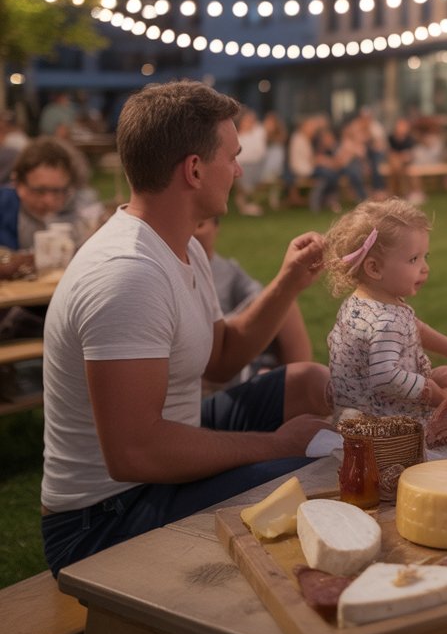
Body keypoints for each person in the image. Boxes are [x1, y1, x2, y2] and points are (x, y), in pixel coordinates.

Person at [40, 80, 333, 576]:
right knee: (313, 477)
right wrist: (279, 445)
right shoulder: (128, 274)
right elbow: (135, 452)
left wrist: (287, 284)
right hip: (104, 519)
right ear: (194, 170)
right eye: (233, 156)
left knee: (306, 382)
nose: (240, 169)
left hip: (159, 461)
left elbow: (220, 359)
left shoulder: (181, 244)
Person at [322, 197, 447, 418]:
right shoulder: (386, 322)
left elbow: (416, 329)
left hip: (356, 399)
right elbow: (386, 377)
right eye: (414, 259)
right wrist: (433, 394)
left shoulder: (361, 303)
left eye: (425, 257)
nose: (425, 268)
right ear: (375, 268)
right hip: (380, 419)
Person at [193, 215, 314, 388]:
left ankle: (301, 384)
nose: (193, 232)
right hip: (207, 340)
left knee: (286, 305)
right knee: (281, 299)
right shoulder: (177, 266)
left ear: (216, 228)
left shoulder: (228, 269)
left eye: (200, 224)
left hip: (229, 333)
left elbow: (258, 294)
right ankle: (292, 387)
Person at [233, 107, 266, 216]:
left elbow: (259, 152)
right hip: (241, 165)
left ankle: (248, 202)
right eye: (247, 120)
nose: (249, 122)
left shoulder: (258, 132)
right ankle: (245, 204)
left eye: (251, 120)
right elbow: (238, 155)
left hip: (257, 165)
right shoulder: (236, 136)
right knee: (240, 170)